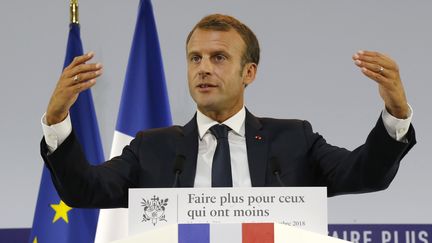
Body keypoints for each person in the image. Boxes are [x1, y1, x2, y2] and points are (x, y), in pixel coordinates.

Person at [41, 14, 416, 208]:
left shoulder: (293, 140)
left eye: (218, 57)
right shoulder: (152, 148)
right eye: (194, 58)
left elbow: (366, 174)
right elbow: (84, 191)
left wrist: (395, 113)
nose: (203, 68)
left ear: (248, 72)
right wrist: (57, 120)